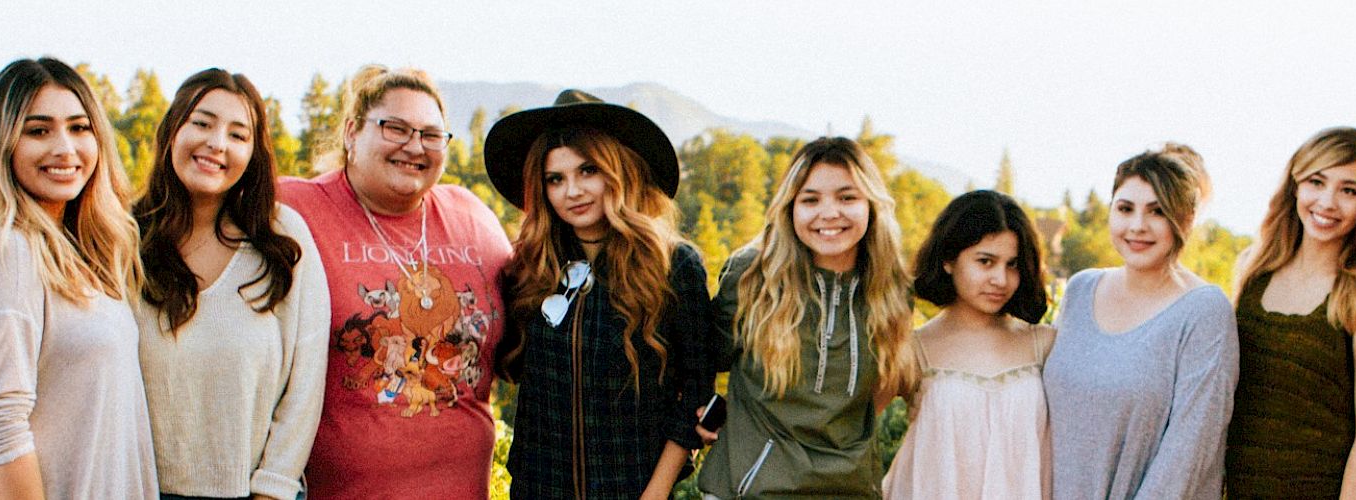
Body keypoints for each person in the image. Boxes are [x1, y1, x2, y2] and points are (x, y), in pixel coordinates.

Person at [0, 57, 156, 499]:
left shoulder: (74, 251)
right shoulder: (1, 248)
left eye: (79, 128)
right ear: (0, 144)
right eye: (38, 130)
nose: (65, 148)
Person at [275, 64, 512, 498]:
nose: (414, 146)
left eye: (430, 134)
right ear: (351, 132)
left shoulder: (472, 216)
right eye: (395, 128)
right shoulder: (293, 208)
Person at [484, 89, 717, 499]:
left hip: (634, 489)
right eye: (555, 179)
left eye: (587, 171)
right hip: (538, 489)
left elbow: (695, 392)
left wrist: (655, 493)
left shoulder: (673, 266)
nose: (572, 191)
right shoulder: (530, 267)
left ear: (618, 171)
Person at [131, 68, 328, 500]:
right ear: (172, 130)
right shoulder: (124, 240)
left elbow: (306, 383)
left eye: (238, 135)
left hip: (254, 494)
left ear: (254, 153)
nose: (217, 144)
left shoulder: (282, 238)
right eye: (201, 123)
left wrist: (272, 489)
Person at [695, 137, 921, 499]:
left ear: (871, 206)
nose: (829, 213)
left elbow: (878, 392)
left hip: (850, 490)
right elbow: (702, 359)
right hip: (749, 489)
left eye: (847, 198)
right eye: (811, 200)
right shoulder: (751, 277)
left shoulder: (892, 292)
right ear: (790, 208)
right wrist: (705, 410)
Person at [1045, 143, 1238, 499]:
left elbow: (1189, 453)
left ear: (1184, 220)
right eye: (1125, 208)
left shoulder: (1204, 311)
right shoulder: (1080, 290)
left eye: (1157, 211)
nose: (1137, 226)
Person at [1225, 127, 1356, 499]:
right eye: (1316, 182)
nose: (1327, 202)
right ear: (1295, 185)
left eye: (1349, 190)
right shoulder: (1254, 271)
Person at [882, 189, 1056, 499]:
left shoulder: (1043, 344)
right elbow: (848, 430)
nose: (1000, 280)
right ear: (949, 259)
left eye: (1012, 264)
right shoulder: (913, 350)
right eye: (985, 262)